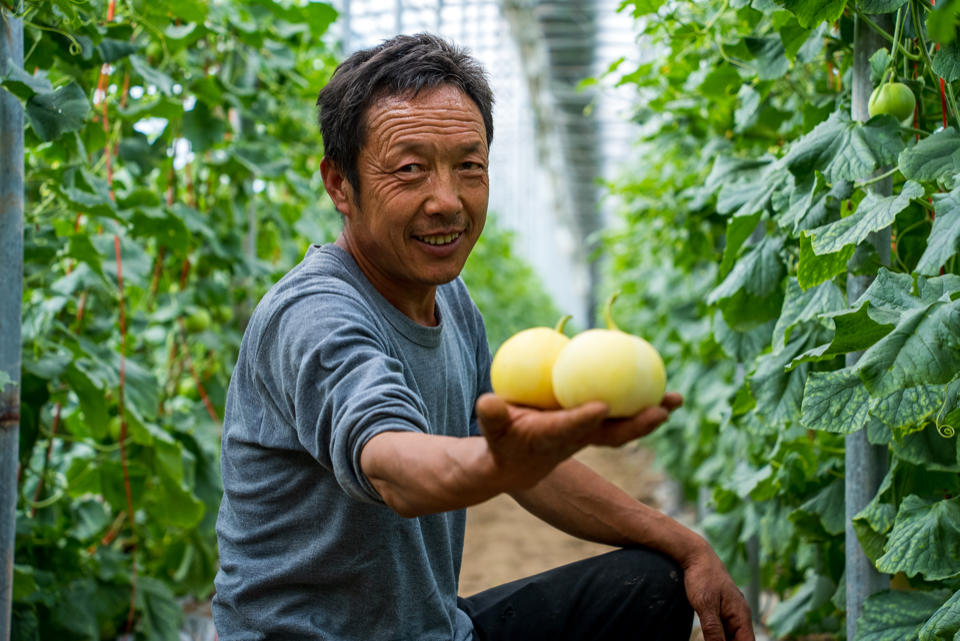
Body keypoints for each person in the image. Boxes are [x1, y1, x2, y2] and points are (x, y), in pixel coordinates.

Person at [212, 33, 754, 641]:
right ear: (339, 184)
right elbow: (395, 467)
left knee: (652, 582)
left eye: (469, 166)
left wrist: (688, 545)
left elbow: (520, 467)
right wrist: (507, 460)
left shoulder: (450, 300)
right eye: (411, 170)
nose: (447, 201)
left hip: (434, 629)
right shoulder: (315, 312)